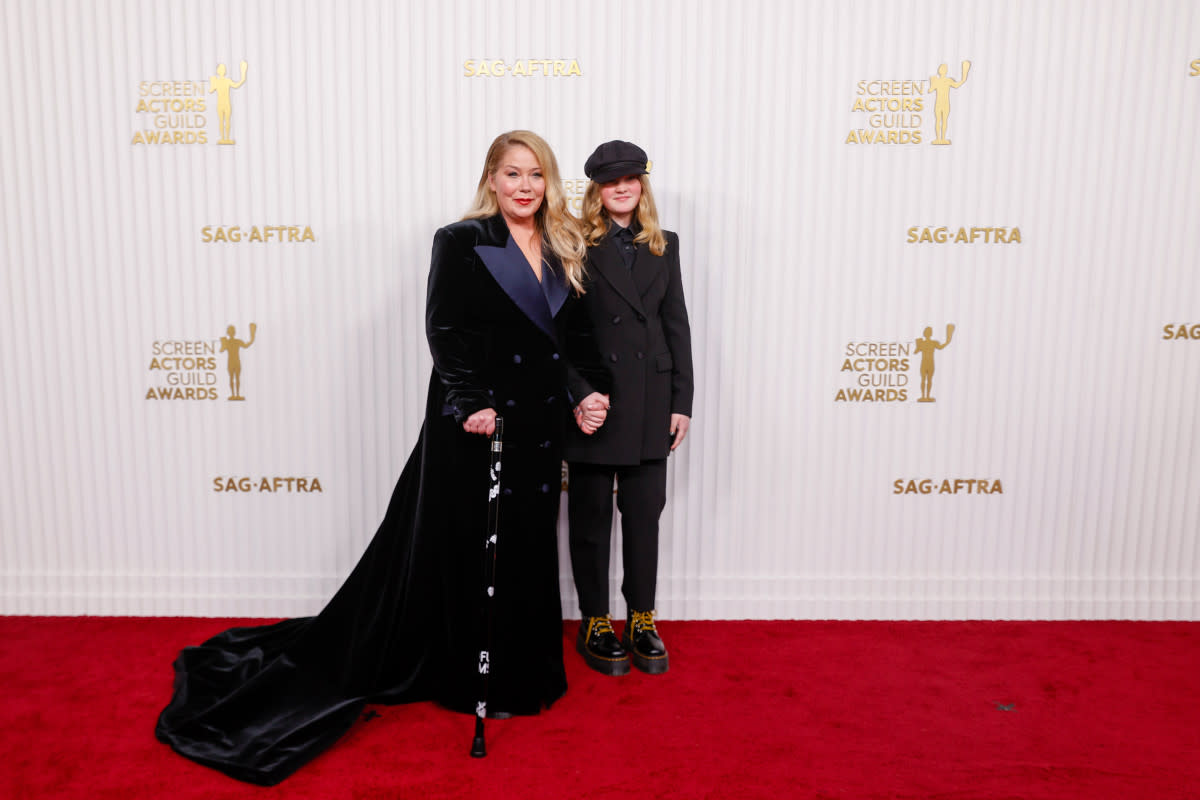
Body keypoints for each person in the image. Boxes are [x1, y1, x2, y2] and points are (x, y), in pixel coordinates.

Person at [155, 130, 610, 785]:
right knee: (474, 546)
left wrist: (586, 393)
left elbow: (574, 339)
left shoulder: (568, 245)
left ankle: (527, 674)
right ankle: (468, 678)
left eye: (535, 175)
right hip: (477, 423)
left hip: (538, 423)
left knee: (529, 543)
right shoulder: (459, 240)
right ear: (491, 177)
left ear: (549, 181)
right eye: (512, 173)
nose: (524, 186)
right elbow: (444, 329)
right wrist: (470, 398)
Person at [565, 141, 693, 676]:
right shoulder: (570, 243)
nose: (622, 188)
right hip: (598, 400)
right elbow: (560, 332)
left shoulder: (666, 245)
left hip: (650, 398)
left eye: (631, 179)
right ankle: (596, 618)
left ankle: (643, 615)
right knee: (591, 518)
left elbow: (676, 325)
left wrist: (681, 401)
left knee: (644, 516)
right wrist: (576, 393)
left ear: (643, 185)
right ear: (596, 190)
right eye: (611, 181)